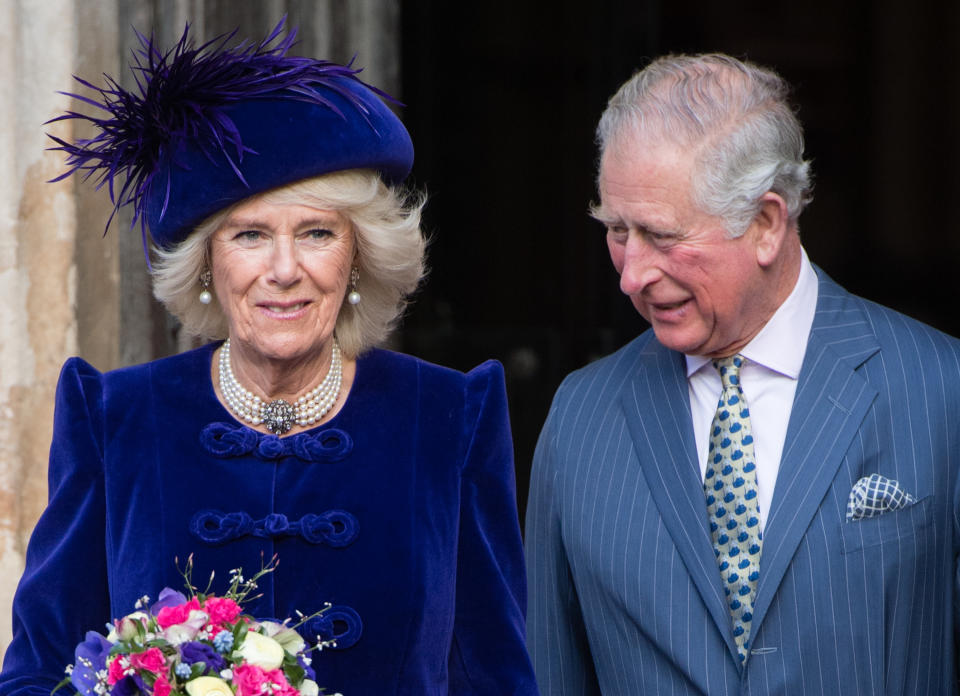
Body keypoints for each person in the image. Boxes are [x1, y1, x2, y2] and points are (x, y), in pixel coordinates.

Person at [0, 21, 537, 696]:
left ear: (359, 255)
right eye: (250, 235)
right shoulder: (117, 418)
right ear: (205, 262)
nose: (284, 270)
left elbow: (495, 677)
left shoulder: (449, 417)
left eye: (316, 233)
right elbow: (39, 676)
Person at [525, 52, 960, 694]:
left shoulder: (940, 388)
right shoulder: (581, 418)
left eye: (662, 235)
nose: (631, 274)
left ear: (765, 224)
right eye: (618, 230)